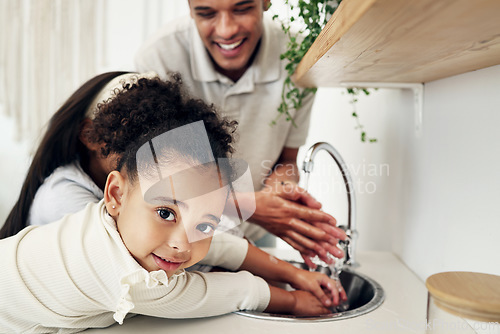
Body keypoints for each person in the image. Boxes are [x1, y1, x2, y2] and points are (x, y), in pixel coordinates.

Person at [0, 76, 346, 333]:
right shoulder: (119, 267)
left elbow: (221, 245)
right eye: (166, 213)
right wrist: (292, 300)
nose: (183, 243)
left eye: (205, 224)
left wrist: (294, 273)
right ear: (116, 194)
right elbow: (197, 294)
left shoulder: (118, 220)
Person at [134, 0, 346, 267]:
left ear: (266, 2)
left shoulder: (297, 55)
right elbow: (153, 179)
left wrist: (281, 196)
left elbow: (287, 160)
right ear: (189, 8)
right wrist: (252, 206)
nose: (226, 30)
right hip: (181, 236)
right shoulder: (160, 58)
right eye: (206, 13)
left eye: (242, 8)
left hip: (257, 231)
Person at [0, 71, 156, 239]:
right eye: (130, 138)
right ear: (90, 135)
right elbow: (128, 256)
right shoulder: (64, 197)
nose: (144, 155)